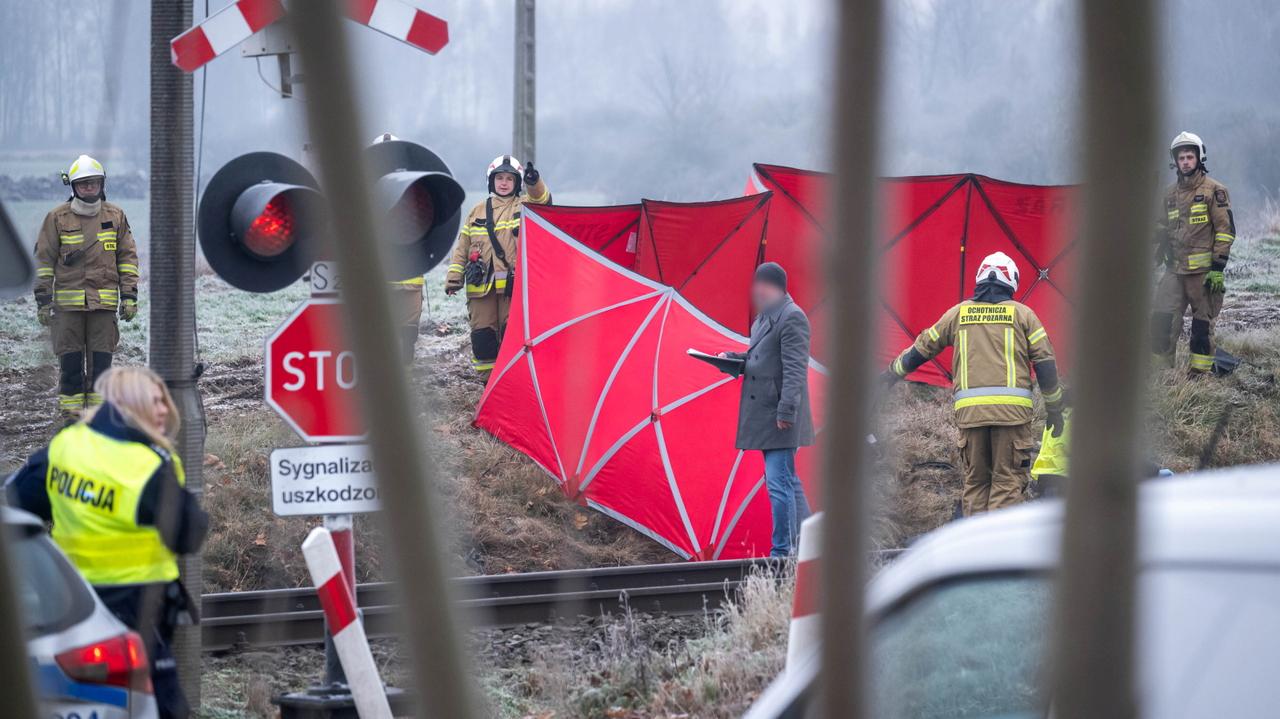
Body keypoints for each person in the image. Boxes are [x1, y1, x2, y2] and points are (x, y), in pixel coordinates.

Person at [6, 366, 208, 719]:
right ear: (129, 406)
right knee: (161, 706)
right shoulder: (145, 466)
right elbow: (190, 532)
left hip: (73, 604)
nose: (163, 409)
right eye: (154, 401)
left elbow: (17, 499)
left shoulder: (67, 445)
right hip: (138, 604)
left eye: (164, 400)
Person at [881, 251, 1065, 516]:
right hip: (1012, 419)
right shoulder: (1024, 315)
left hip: (971, 418)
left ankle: (975, 551)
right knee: (1008, 482)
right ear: (1011, 281)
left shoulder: (957, 314)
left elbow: (921, 349)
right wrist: (1055, 409)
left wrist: (889, 376)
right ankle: (1001, 551)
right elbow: (1046, 364)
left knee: (976, 484)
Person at [33, 155, 140, 424]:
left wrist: (129, 295)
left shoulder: (115, 216)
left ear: (102, 184)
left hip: (103, 310)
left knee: (101, 369)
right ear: (73, 186)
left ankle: (98, 420)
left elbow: (127, 258)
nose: (89, 188)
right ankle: (71, 420)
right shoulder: (56, 218)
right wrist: (43, 300)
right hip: (67, 310)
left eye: (93, 183)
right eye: (83, 184)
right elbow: (43, 261)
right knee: (69, 368)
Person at [723, 263, 815, 557]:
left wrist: (786, 412)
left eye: (762, 286)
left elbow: (795, 370)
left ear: (776, 287)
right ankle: (814, 542)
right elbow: (760, 358)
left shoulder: (793, 318)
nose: (757, 291)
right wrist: (731, 360)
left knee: (779, 483)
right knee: (786, 480)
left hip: (780, 417)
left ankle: (782, 552)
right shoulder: (765, 318)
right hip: (765, 415)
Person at [444, 155, 550, 374]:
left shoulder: (525, 205)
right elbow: (462, 247)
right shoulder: (477, 211)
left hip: (513, 289)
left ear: (517, 183)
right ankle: (487, 386)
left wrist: (534, 182)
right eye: (499, 178)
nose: (503, 183)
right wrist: (454, 279)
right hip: (480, 290)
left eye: (509, 179)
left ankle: (512, 383)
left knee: (513, 338)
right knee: (483, 339)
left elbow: (543, 201)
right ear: (490, 181)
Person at [1152, 131, 1236, 375]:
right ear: (1175, 161)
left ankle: (1199, 377)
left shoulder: (1215, 191)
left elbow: (1225, 231)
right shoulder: (1168, 195)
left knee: (1201, 327)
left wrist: (1218, 269)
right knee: (1161, 319)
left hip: (1203, 274)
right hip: (1174, 271)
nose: (1186, 161)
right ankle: (1162, 375)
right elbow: (1160, 226)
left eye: (1190, 156)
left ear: (1199, 158)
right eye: (1181, 158)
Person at [371, 132, 427, 365]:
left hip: (410, 276)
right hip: (378, 275)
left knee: (408, 326)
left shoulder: (416, 189)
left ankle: (405, 364)